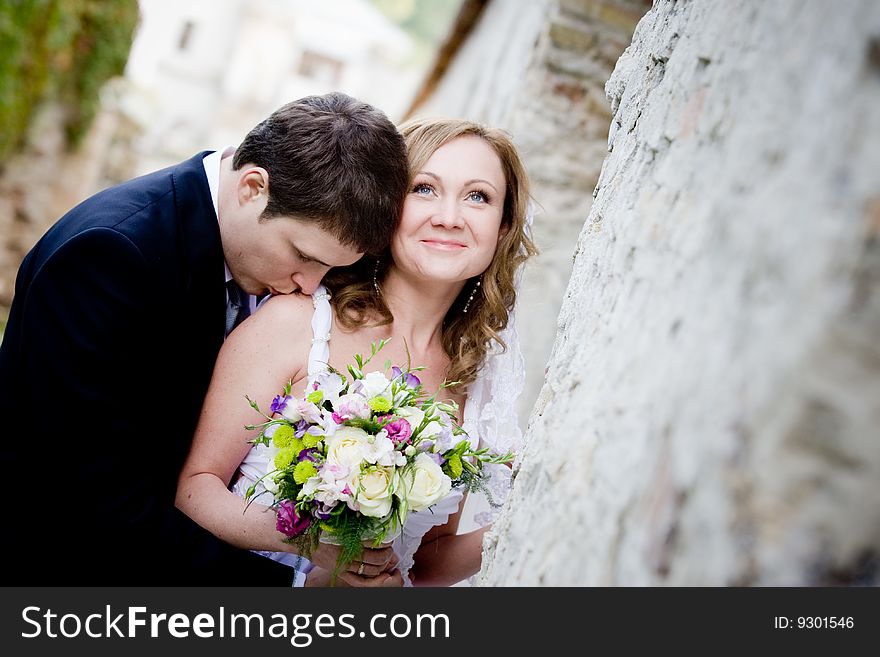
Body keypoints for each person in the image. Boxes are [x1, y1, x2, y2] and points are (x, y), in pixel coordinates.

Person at [0, 92, 409, 585]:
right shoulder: (111, 255)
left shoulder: (252, 261)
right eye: (303, 256)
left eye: (328, 268)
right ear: (252, 187)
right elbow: (88, 495)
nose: (310, 284)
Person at [176, 117, 537, 586]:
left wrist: (523, 514)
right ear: (386, 208)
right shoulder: (296, 322)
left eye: (478, 196)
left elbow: (424, 563)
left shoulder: (474, 379)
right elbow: (195, 488)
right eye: (424, 189)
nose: (450, 216)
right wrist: (307, 545)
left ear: (503, 225)